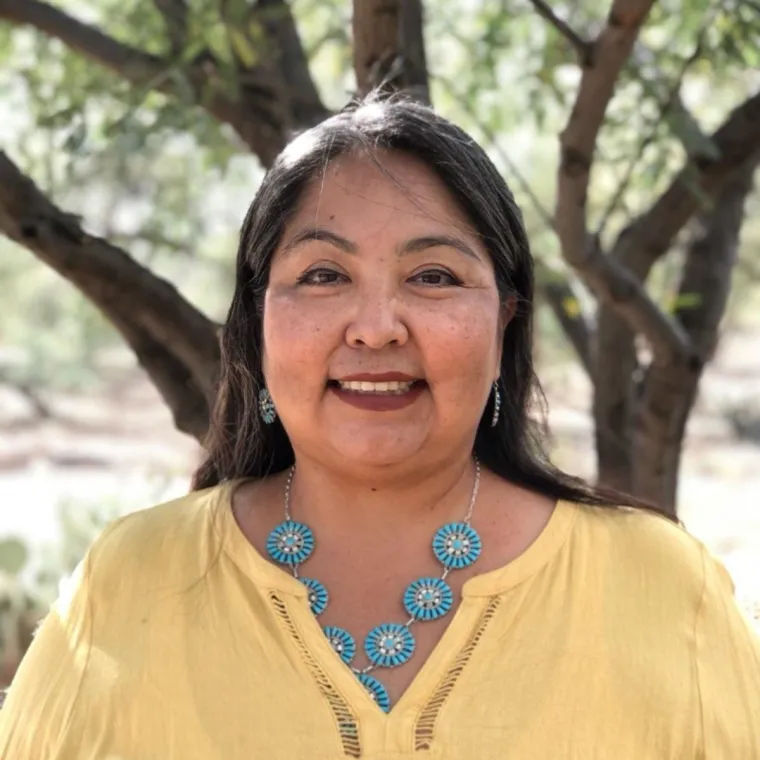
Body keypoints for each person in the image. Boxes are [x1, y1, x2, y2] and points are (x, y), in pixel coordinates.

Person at [1, 94, 758, 760]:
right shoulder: (132, 580)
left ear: (505, 322)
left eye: (433, 277)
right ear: (259, 325)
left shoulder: (662, 591)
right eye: (324, 275)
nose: (374, 328)